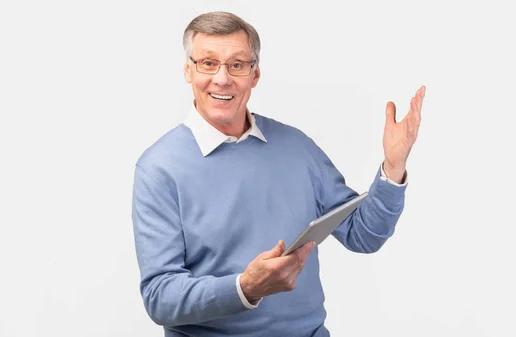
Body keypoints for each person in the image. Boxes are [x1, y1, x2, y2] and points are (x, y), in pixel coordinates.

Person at [132, 11, 425, 337]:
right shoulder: (158, 169)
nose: (222, 78)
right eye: (208, 63)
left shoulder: (297, 148)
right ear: (188, 70)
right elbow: (159, 298)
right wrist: (245, 288)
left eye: (237, 64)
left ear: (254, 75)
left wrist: (393, 166)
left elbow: (364, 235)